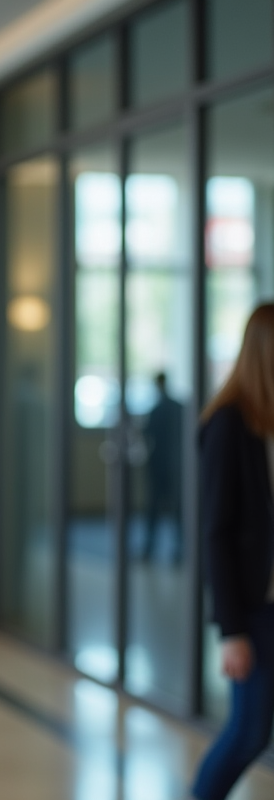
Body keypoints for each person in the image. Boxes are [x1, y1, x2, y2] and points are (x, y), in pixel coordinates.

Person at [191, 303, 274, 800]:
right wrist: (232, 630)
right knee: (249, 732)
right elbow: (216, 533)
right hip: (254, 609)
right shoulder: (228, 425)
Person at [140, 372, 184, 564]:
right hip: (173, 465)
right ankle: (179, 550)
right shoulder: (178, 408)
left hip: (161, 465)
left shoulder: (157, 410)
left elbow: (147, 436)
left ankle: (151, 549)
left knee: (157, 509)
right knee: (175, 510)